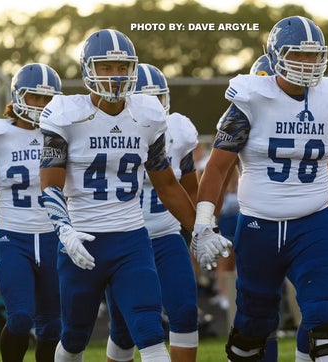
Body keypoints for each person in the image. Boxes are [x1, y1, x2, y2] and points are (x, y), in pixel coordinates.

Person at [191, 15, 328, 361]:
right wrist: (204, 223)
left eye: (314, 56)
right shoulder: (251, 98)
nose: (308, 64)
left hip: (312, 222)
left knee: (326, 314)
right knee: (253, 325)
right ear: (277, 54)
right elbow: (217, 167)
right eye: (298, 54)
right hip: (258, 225)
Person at [38, 29, 207, 362]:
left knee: (149, 330)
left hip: (131, 239)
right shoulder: (65, 114)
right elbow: (50, 185)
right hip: (82, 238)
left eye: (122, 67)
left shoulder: (147, 114)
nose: (116, 75)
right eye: (107, 67)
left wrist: (200, 229)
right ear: (88, 68)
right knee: (74, 336)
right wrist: (65, 230)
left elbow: (168, 185)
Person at [104, 63, 200, 362]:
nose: (153, 104)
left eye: (158, 97)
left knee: (184, 311)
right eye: (145, 97)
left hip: (166, 235)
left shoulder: (179, 130)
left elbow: (189, 187)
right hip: (124, 239)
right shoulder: (110, 129)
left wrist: (199, 229)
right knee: (125, 327)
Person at [0, 63, 62, 362]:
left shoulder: (66, 133)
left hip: (55, 237)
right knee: (20, 318)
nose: (41, 105)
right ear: (17, 97)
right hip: (14, 237)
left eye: (47, 98)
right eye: (34, 97)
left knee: (52, 325)